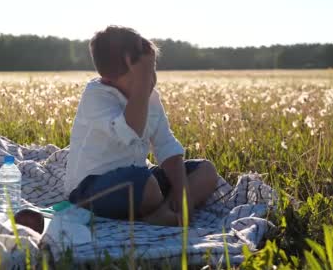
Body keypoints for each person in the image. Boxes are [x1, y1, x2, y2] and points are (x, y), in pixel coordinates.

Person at [64, 25, 219, 226]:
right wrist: (143, 84)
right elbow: (130, 131)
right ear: (109, 78)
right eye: (141, 74)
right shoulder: (96, 95)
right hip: (90, 189)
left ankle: (163, 213)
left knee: (206, 171)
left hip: (139, 178)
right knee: (146, 186)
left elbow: (166, 145)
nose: (151, 80)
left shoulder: (149, 97)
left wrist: (182, 190)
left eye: (152, 70)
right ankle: (157, 208)